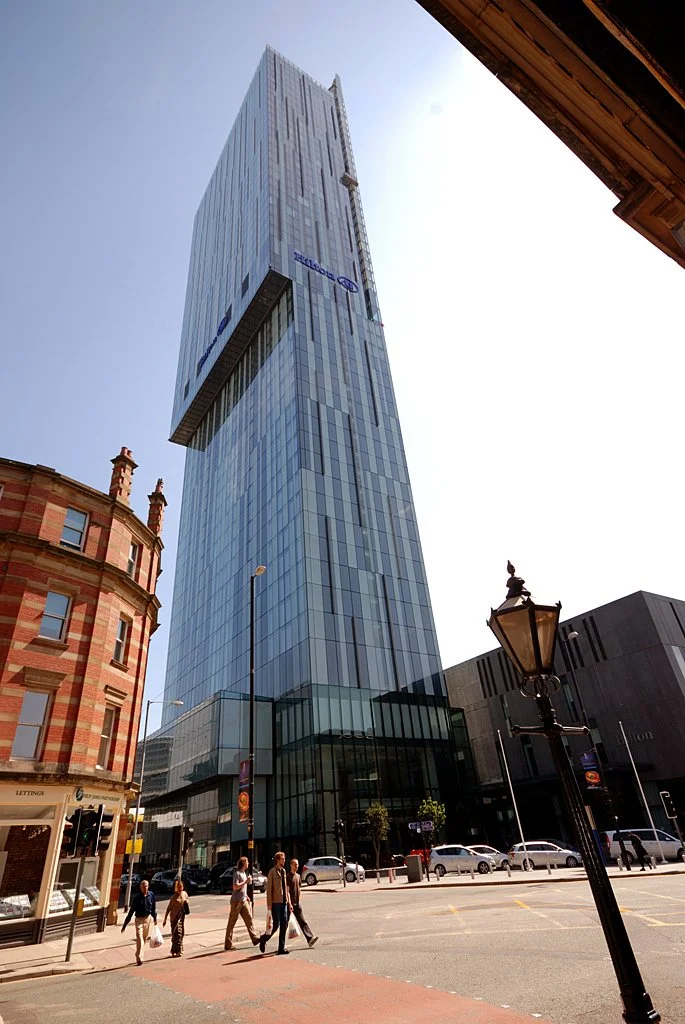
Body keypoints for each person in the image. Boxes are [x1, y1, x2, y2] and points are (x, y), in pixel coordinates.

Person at [259, 851, 292, 955]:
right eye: (283, 859)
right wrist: (269, 906)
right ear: (278, 860)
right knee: (276, 925)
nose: (284, 860)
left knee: (284, 924)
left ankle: (281, 948)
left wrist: (289, 902)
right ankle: (264, 939)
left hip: (284, 902)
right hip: (276, 903)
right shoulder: (272, 872)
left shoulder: (284, 871)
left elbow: (286, 889)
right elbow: (269, 891)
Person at [225, 856, 260, 950]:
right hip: (236, 902)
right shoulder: (237, 874)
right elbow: (235, 887)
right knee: (232, 922)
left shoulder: (244, 873)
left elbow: (242, 889)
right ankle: (228, 944)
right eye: (247, 862)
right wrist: (246, 882)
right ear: (243, 863)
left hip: (243, 900)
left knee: (249, 919)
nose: (248, 863)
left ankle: (255, 938)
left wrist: (246, 896)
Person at [122, 878, 157, 965]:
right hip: (139, 920)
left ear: (148, 887)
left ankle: (138, 953)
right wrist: (125, 925)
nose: (145, 888)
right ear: (140, 888)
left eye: (146, 886)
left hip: (147, 919)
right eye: (143, 887)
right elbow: (131, 912)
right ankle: (139, 958)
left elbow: (153, 908)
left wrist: (155, 918)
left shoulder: (151, 895)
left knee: (144, 939)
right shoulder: (137, 898)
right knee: (139, 938)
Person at [287, 858, 318, 948]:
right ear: (291, 865)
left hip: (297, 903)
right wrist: (289, 903)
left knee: (302, 921)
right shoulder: (288, 877)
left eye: (297, 864)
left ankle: (310, 938)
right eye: (295, 864)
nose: (296, 866)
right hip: (289, 904)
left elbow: (299, 889)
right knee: (284, 924)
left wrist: (298, 900)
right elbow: (287, 891)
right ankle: (276, 942)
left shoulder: (298, 876)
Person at [163, 877, 189, 957]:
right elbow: (168, 908)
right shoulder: (174, 897)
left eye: (181, 887)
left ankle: (178, 949)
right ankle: (177, 951)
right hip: (174, 918)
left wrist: (187, 903)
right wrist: (165, 919)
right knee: (176, 934)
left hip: (181, 917)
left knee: (181, 933)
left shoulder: (184, 894)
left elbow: (187, 901)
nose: (180, 888)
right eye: (178, 887)